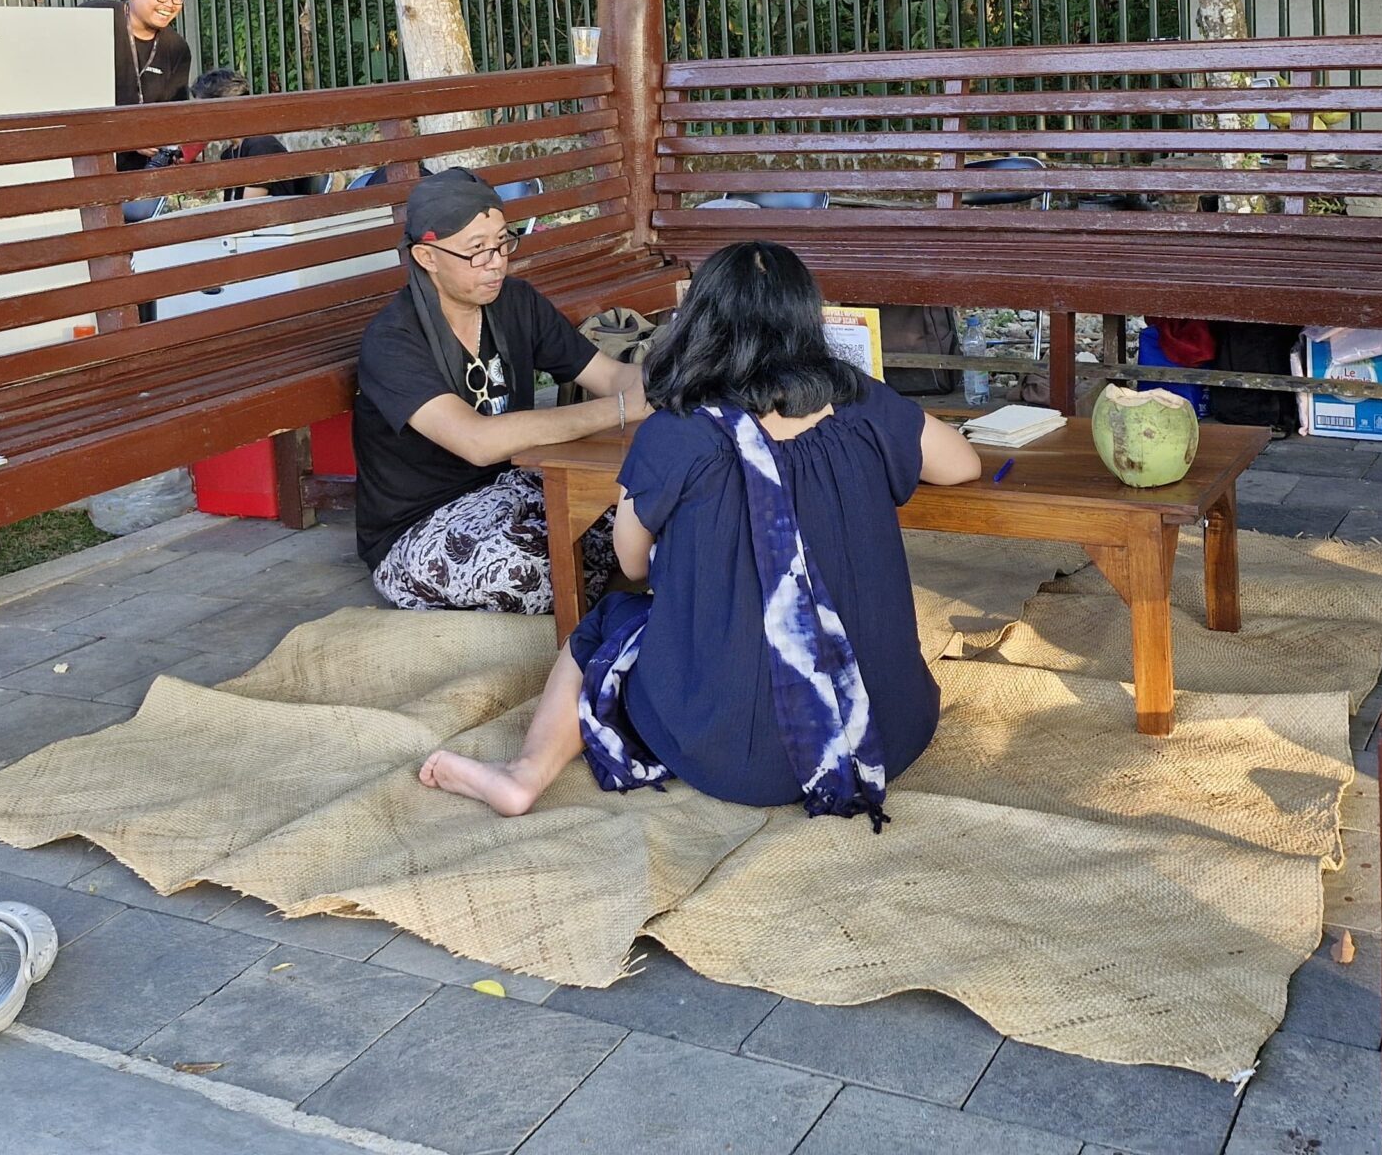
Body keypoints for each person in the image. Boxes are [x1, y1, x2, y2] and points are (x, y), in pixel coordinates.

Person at [419, 240, 981, 821]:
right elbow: (961, 465)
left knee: (610, 620)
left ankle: (524, 774)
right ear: (806, 321)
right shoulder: (859, 402)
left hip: (734, 754)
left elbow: (633, 564)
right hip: (887, 732)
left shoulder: (675, 432)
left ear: (701, 324)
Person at [353, 167, 643, 611]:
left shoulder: (516, 301)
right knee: (531, 568)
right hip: (418, 527)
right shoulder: (393, 340)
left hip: (512, 489)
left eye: (503, 244)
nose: (497, 262)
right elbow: (479, 442)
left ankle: (603, 600)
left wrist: (675, 385)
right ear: (427, 257)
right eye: (477, 252)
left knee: (644, 517)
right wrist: (622, 410)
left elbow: (607, 376)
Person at [93, 0, 191, 175]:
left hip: (141, 171)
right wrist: (123, 136)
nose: (169, 4)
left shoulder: (177, 48)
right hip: (86, 158)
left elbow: (173, 114)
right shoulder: (95, 19)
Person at [191, 67, 312, 200]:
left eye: (201, 111)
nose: (197, 118)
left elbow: (248, 212)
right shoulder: (230, 153)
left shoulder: (261, 147)